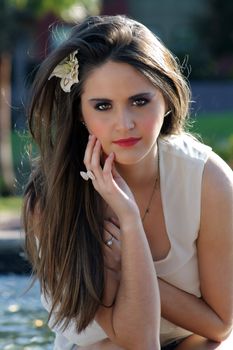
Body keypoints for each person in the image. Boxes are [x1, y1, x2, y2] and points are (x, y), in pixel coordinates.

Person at [23, 15, 233, 350]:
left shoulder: (208, 180)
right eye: (103, 106)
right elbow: (139, 342)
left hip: (191, 343)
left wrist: (129, 263)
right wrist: (130, 221)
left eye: (140, 101)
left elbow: (219, 325)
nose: (124, 124)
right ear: (80, 113)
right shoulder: (53, 199)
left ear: (165, 99)